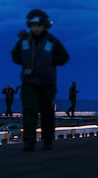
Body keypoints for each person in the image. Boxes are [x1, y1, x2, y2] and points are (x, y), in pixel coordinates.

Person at [11, 9, 70, 151]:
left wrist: (50, 62)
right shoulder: (25, 41)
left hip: (46, 84)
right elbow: (15, 55)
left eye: (38, 25)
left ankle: (47, 140)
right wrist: (26, 63)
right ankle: (29, 142)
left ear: (44, 25)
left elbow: (64, 57)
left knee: (46, 113)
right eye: (33, 25)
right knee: (29, 112)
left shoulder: (51, 42)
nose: (36, 28)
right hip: (29, 83)